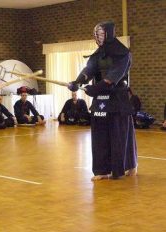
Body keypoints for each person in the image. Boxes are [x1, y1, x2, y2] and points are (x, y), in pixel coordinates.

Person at [68, 21, 137, 180]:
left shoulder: (123, 54)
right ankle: (102, 170)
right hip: (100, 101)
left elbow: (112, 77)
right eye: (96, 34)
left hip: (117, 100)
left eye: (100, 33)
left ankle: (125, 167)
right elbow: (88, 70)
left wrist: (94, 88)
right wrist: (77, 82)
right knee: (99, 136)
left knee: (119, 135)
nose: (97, 37)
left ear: (109, 34)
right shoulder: (98, 54)